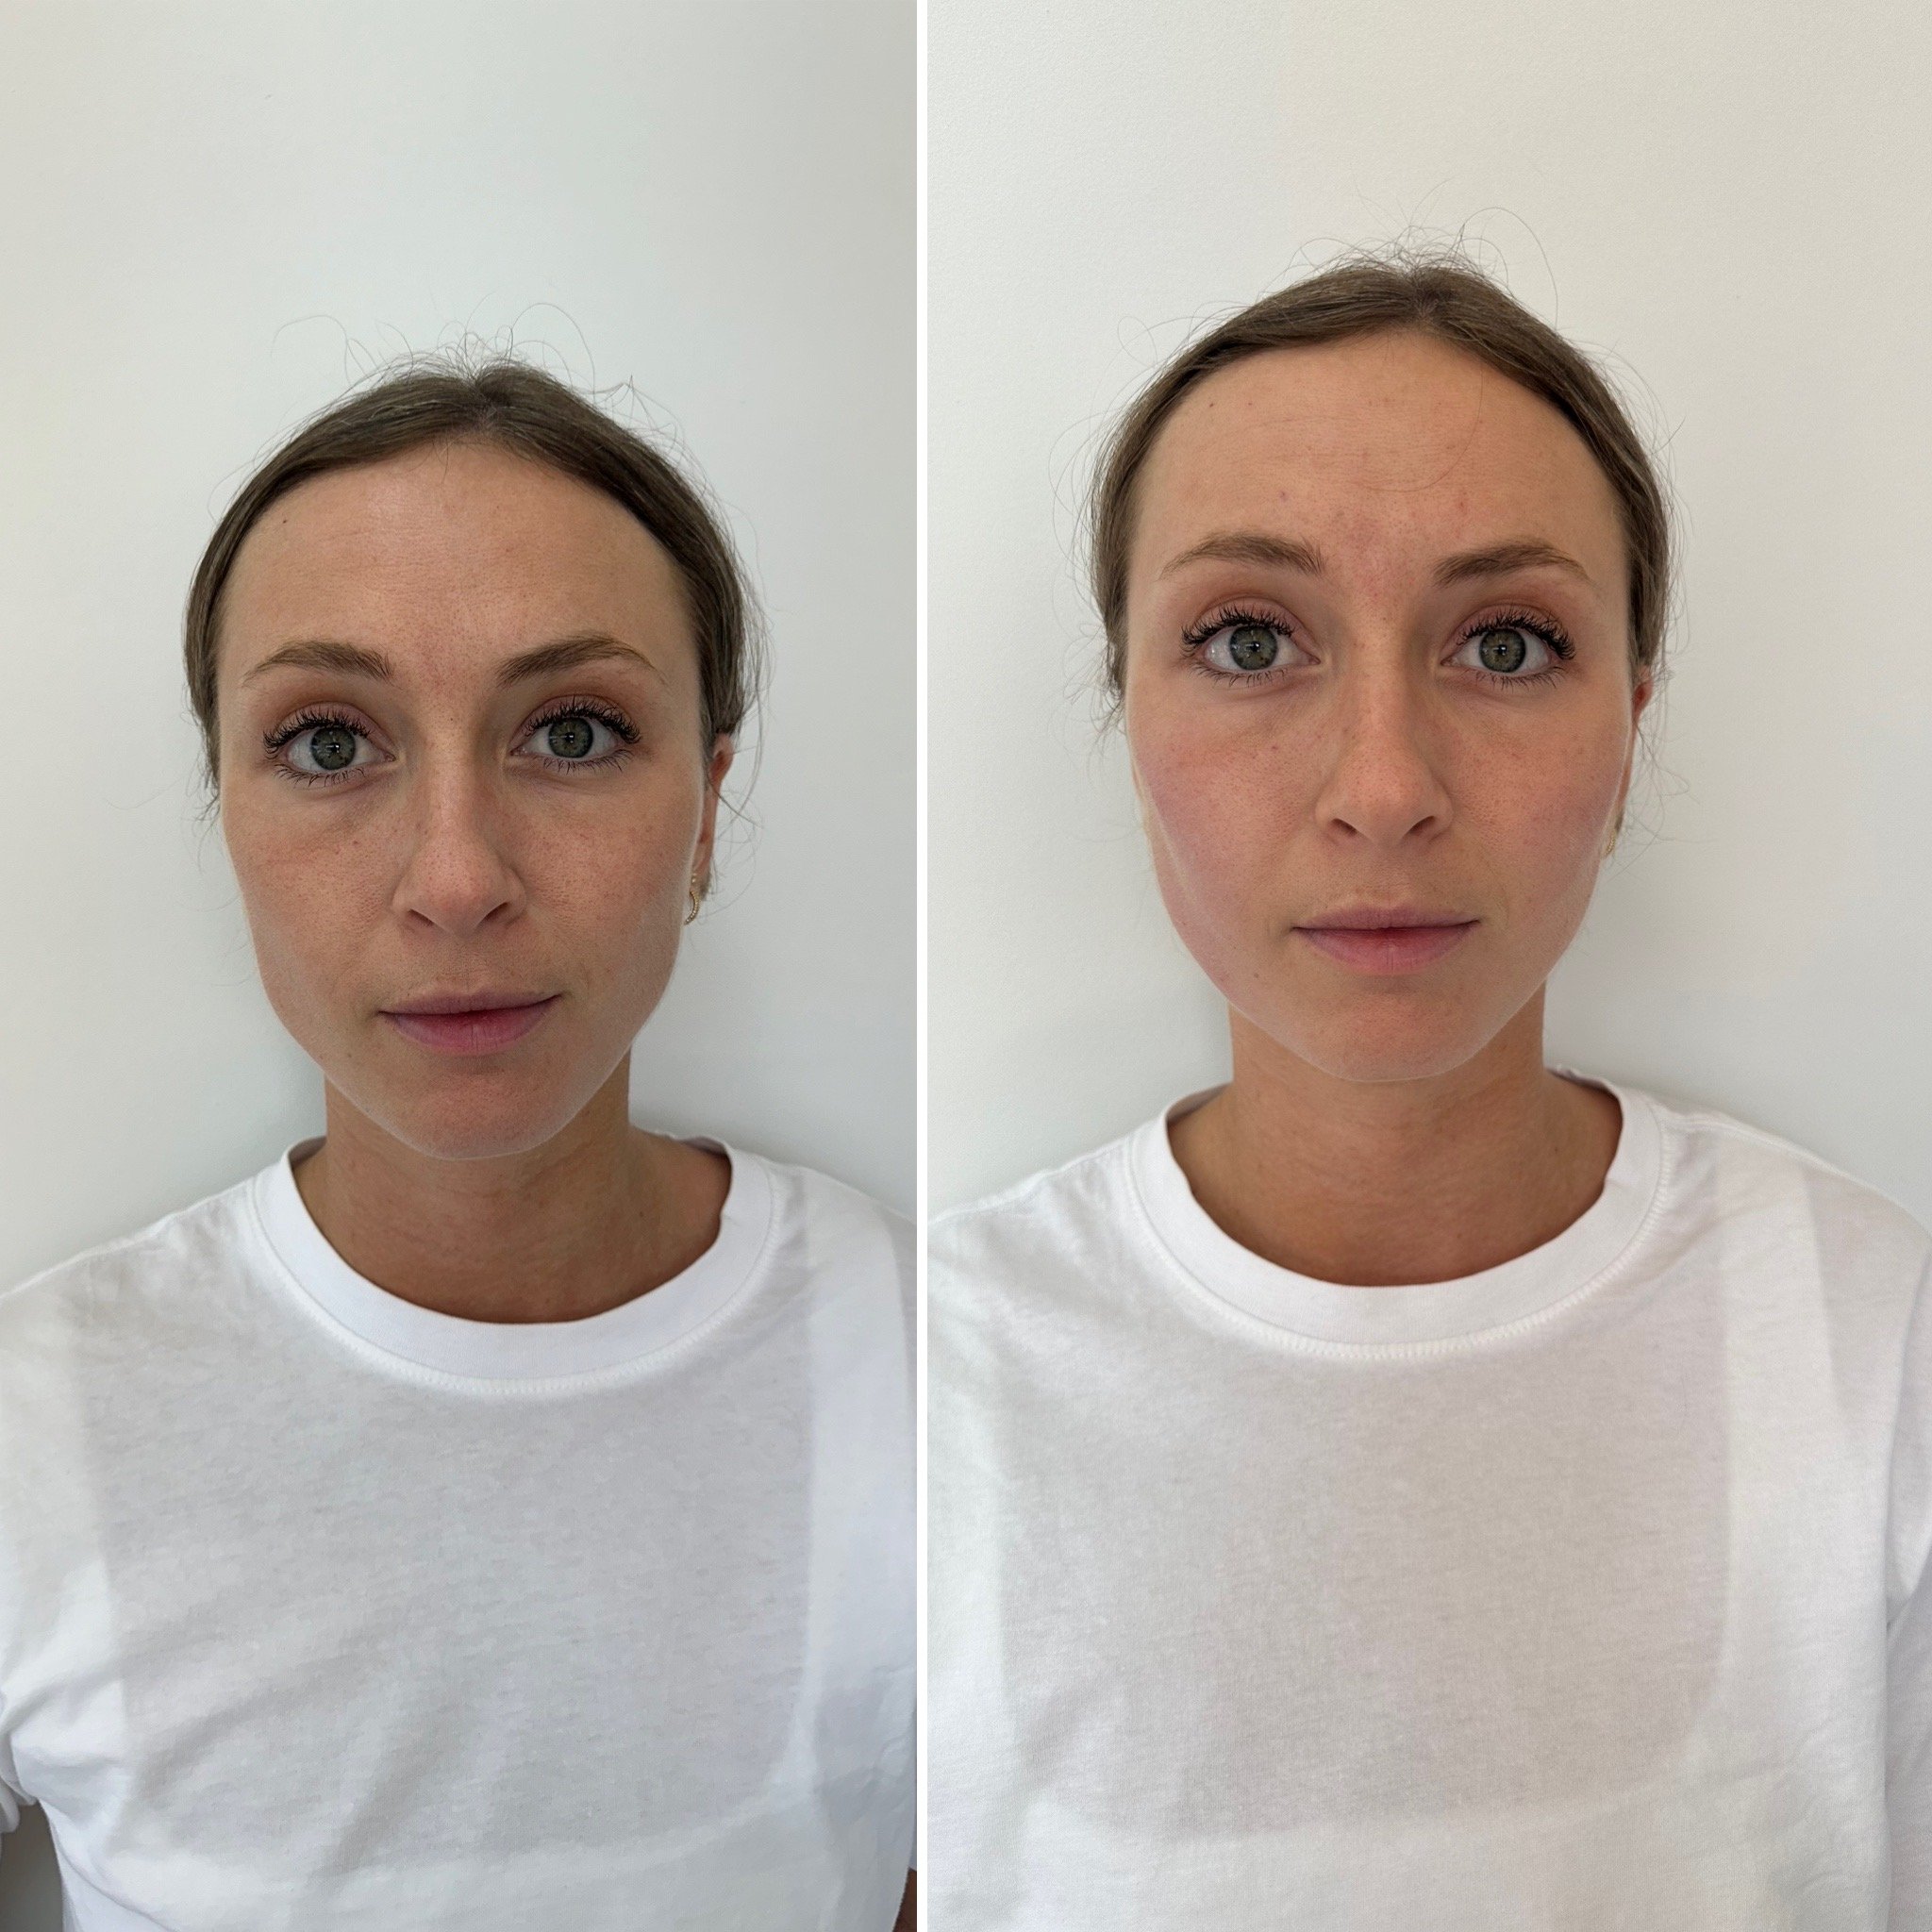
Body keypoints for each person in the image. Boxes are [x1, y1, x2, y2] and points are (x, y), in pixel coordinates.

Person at [929, 255, 1932, 1929]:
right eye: (1252, 639)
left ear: (1631, 724)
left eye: (1508, 643)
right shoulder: (942, 1383)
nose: (1385, 787)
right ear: (1127, 711)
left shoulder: (1870, 1344)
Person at [0, 360, 915, 1930]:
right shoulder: (35, 1425)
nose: (455, 879)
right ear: (225, 808)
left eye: (574, 731)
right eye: (327, 745)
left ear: (706, 810)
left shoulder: (920, 1354)